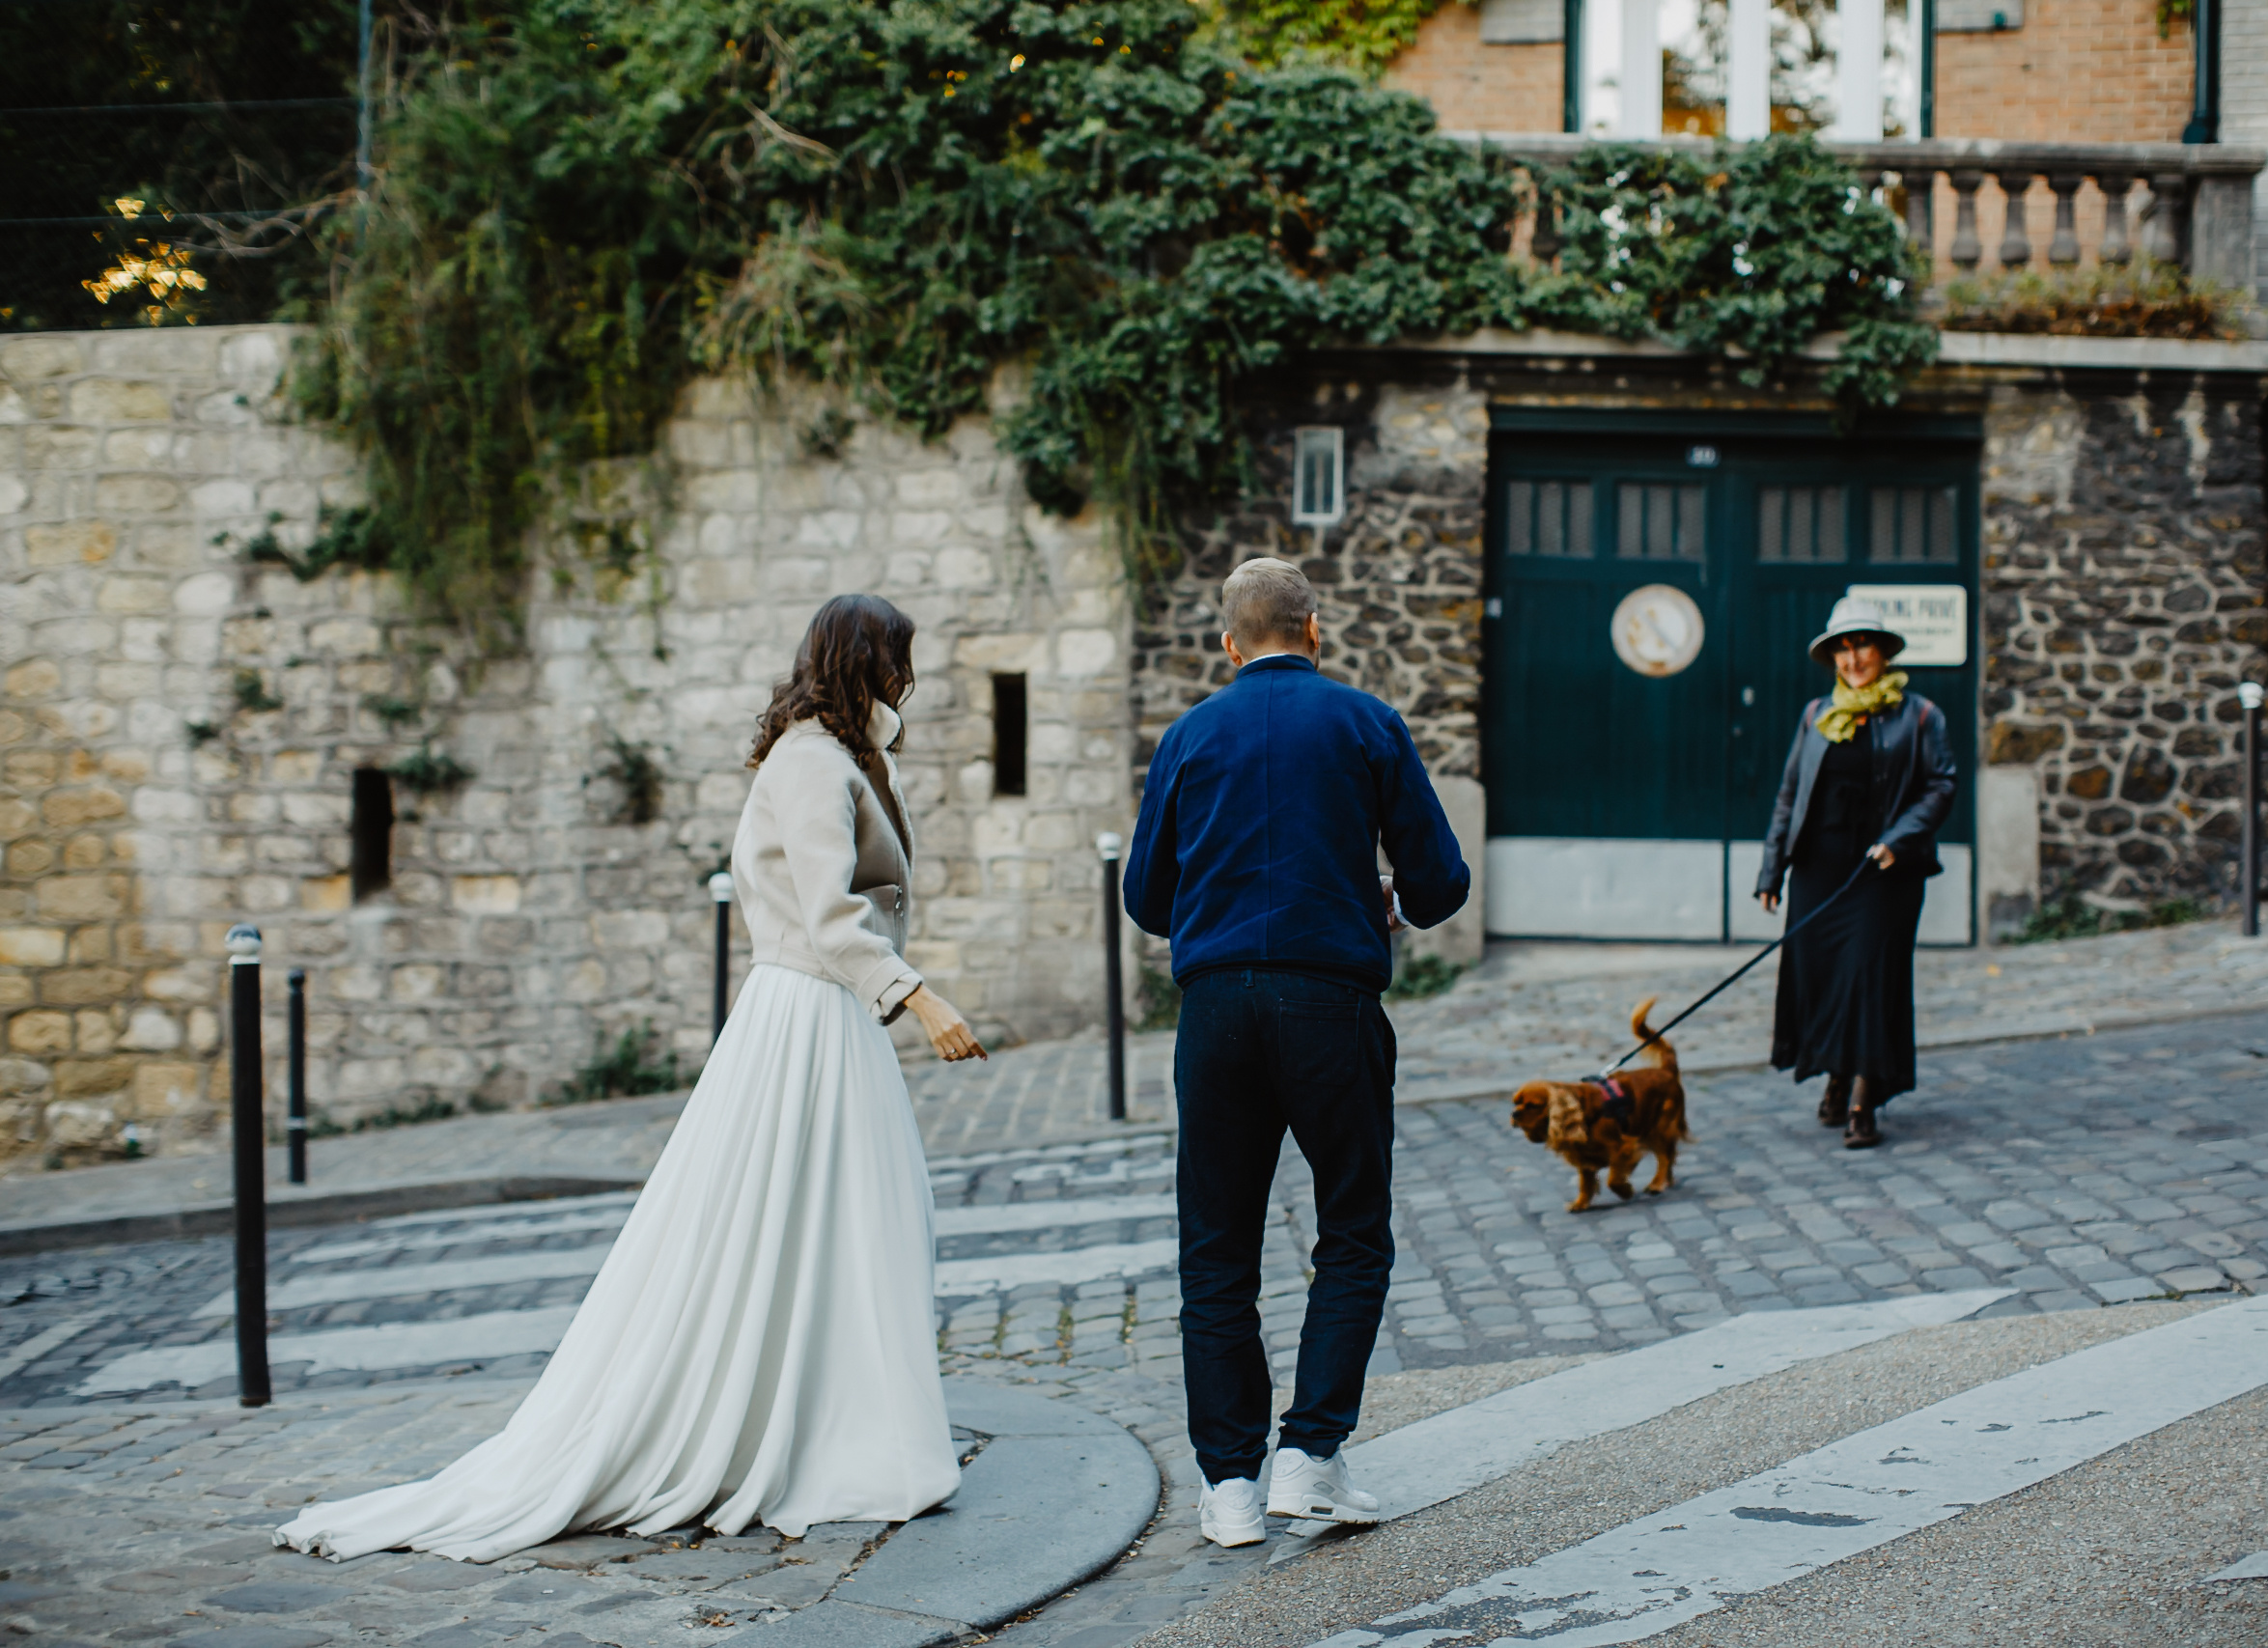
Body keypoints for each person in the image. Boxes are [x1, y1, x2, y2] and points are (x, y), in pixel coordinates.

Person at [277, 594, 987, 1564]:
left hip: (828, 1018)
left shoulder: (844, 754)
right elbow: (830, 917)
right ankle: (820, 1435)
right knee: (824, 1220)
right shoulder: (814, 762)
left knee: (849, 1223)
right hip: (809, 1016)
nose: (913, 677)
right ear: (870, 662)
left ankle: (847, 1421)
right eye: (901, 659)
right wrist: (921, 999)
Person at [1124, 557, 1470, 1549]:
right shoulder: (1366, 724)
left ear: (1230, 645)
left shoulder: (1189, 736)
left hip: (1218, 1010)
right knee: (1352, 1228)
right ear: (1315, 631)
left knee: (1217, 1245)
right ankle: (1309, 1457)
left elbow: (1147, 898)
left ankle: (1228, 1485)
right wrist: (1382, 893)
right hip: (1332, 1002)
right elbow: (1440, 884)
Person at [1755, 596, 1956, 1151]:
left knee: (1869, 980)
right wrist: (1772, 869)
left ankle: (1864, 1100)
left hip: (1883, 871)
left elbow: (1941, 784)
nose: (1853, 659)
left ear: (1883, 651)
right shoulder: (1816, 715)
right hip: (1819, 869)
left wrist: (1900, 838)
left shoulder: (1920, 714)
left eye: (1862, 645)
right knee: (1822, 980)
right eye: (1842, 650)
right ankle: (1837, 1075)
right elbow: (1790, 794)